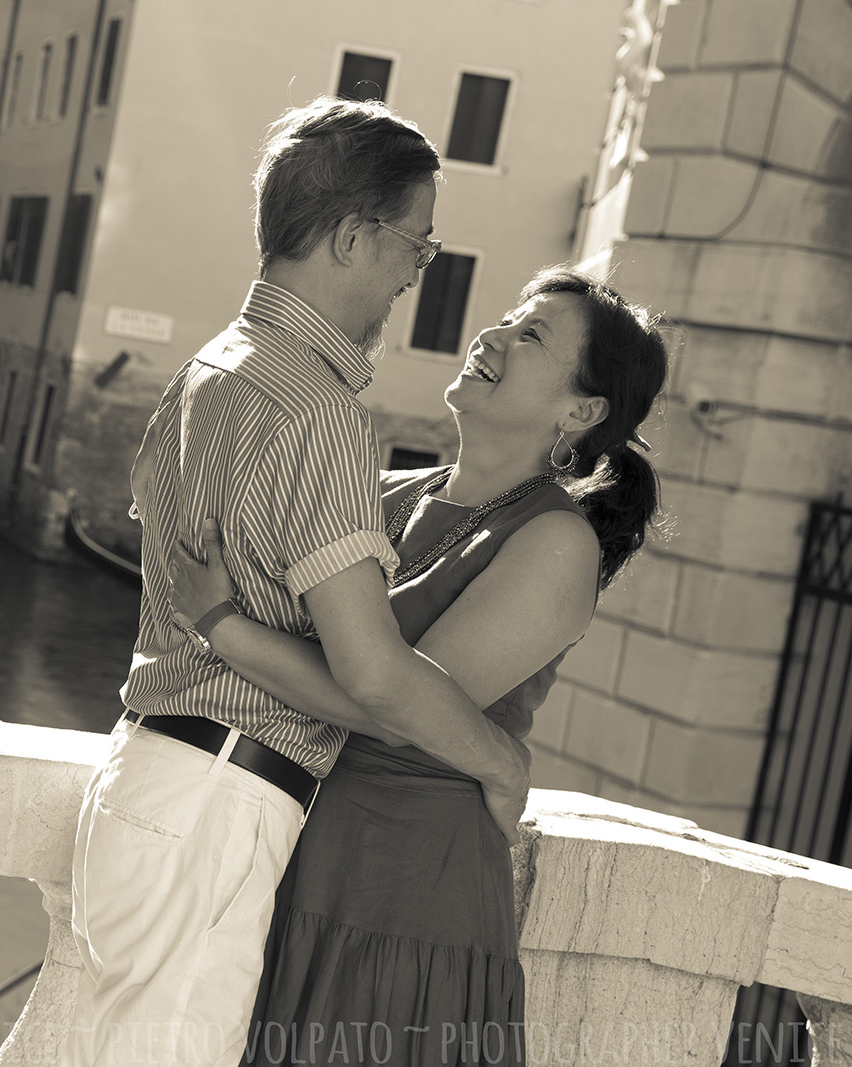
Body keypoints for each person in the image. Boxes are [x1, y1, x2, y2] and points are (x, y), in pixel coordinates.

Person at [64, 95, 530, 1067]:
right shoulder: (316, 411)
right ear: (356, 236)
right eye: (418, 244)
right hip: (213, 800)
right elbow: (372, 673)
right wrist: (491, 756)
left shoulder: (206, 370)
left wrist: (228, 626)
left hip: (150, 778)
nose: (417, 271)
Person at [168, 267, 669, 1066]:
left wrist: (220, 624)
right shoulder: (382, 493)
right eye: (508, 316)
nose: (492, 334)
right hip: (283, 856)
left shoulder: (554, 541)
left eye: (531, 334)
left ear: (581, 410)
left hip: (402, 899)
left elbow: (392, 706)